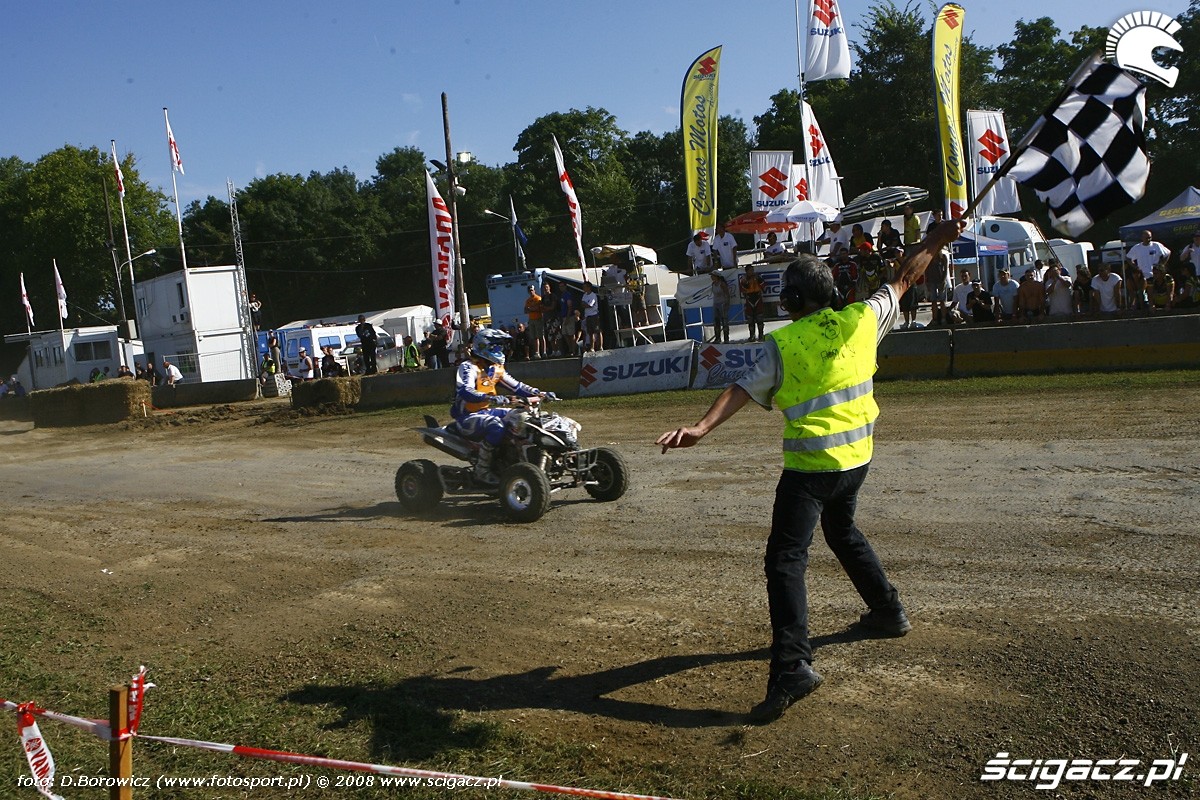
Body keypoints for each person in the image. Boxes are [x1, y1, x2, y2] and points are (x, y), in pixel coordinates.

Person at [656, 218, 966, 724]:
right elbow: (905, 278)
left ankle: (793, 667)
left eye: (786, 297)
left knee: (785, 559)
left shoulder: (784, 343)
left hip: (812, 467)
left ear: (796, 301)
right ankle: (887, 611)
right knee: (841, 529)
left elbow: (741, 388)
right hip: (858, 459)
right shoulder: (864, 318)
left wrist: (701, 427)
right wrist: (934, 241)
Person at [452, 328, 545, 485]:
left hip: (487, 411)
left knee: (523, 417)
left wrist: (540, 392)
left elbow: (517, 386)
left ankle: (515, 460)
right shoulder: (468, 367)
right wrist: (490, 398)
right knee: (496, 426)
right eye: (496, 347)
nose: (499, 350)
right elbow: (465, 391)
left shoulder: (496, 368)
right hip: (467, 416)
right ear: (483, 346)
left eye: (500, 347)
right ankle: (482, 470)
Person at [739, 264, 765, 342]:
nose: (752, 272)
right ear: (746, 271)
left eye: (752, 270)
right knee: (750, 319)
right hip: (749, 299)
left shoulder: (758, 277)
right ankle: (752, 336)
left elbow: (763, 286)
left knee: (760, 318)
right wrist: (747, 281)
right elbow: (743, 289)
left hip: (757, 297)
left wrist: (758, 280)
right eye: (750, 270)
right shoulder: (743, 279)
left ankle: (761, 335)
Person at [524, 285, 545, 359]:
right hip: (531, 319)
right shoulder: (528, 300)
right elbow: (525, 310)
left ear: (534, 290)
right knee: (534, 337)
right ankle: (537, 352)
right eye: (529, 290)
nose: (531, 292)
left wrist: (531, 309)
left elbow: (539, 308)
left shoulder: (538, 298)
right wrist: (531, 309)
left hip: (538, 318)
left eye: (532, 290)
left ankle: (544, 352)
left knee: (541, 336)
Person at [581, 281, 602, 352]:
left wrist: (585, 304)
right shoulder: (585, 295)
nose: (583, 288)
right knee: (590, 333)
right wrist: (585, 304)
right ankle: (592, 347)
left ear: (589, 287)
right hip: (588, 316)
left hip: (594, 315)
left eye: (585, 287)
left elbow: (590, 305)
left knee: (597, 331)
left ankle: (600, 347)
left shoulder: (593, 295)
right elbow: (582, 304)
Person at [710, 271, 731, 344]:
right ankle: (717, 338)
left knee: (724, 321)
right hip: (716, 303)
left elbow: (727, 294)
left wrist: (727, 303)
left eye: (713, 276)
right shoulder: (713, 284)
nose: (711, 277)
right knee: (716, 321)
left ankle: (726, 338)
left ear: (717, 276)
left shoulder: (722, 284)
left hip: (723, 303)